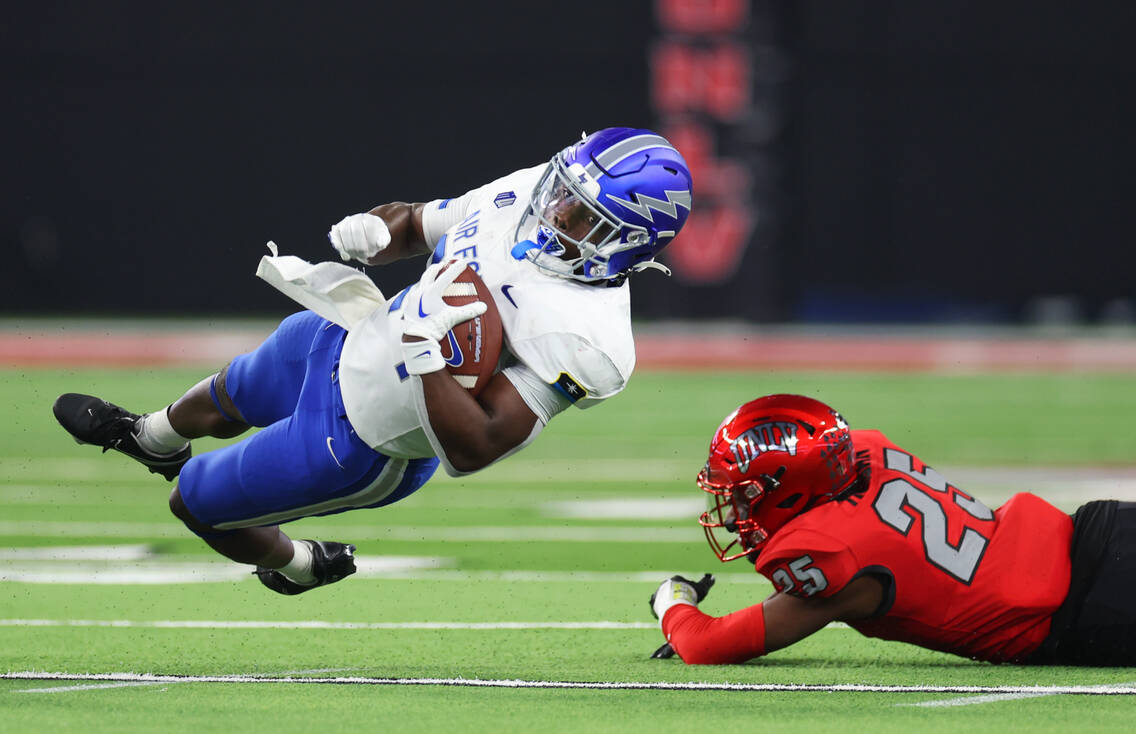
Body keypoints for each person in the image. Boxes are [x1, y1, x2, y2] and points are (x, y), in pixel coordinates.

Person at [53, 127, 693, 596]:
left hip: (363, 441)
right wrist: (381, 232)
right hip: (344, 336)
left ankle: (297, 565)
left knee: (194, 505)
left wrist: (424, 356)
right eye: (561, 189)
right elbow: (417, 224)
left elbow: (476, 449)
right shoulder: (526, 192)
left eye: (580, 213)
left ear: (627, 245)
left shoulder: (589, 340)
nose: (554, 209)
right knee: (232, 390)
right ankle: (151, 437)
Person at [648, 393, 1136, 666]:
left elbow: (707, 645)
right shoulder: (863, 453)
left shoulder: (832, 557)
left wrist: (671, 601)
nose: (735, 505)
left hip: (1099, 609)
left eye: (745, 491)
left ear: (792, 486)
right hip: (1111, 529)